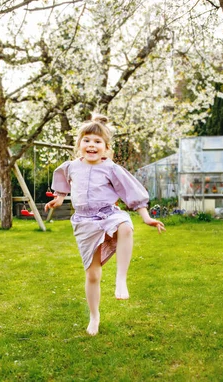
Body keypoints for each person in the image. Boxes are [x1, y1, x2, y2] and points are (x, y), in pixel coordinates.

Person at [44, 114, 165, 336]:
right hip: (84, 222)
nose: (92, 145)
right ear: (79, 144)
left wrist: (146, 217)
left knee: (125, 226)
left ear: (106, 148)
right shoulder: (70, 167)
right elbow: (62, 184)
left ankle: (121, 280)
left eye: (98, 141)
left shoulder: (111, 168)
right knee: (93, 275)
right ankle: (94, 316)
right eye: (87, 140)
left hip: (108, 214)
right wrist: (59, 199)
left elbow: (132, 192)